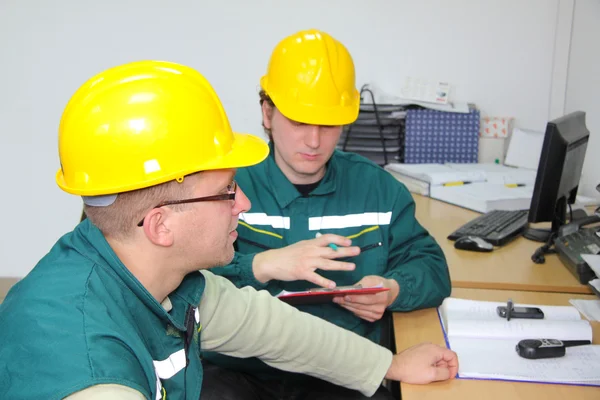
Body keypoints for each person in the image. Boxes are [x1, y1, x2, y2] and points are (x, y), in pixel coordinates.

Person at [0, 60, 458, 400]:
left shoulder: (156, 274)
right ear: (161, 224)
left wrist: (389, 364)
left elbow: (268, 326)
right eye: (227, 191)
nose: (244, 203)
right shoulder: (91, 369)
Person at [202, 29, 452, 399]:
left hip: (343, 376)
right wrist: (261, 265)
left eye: (328, 124)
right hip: (239, 373)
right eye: (300, 122)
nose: (314, 141)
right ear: (267, 113)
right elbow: (182, 281)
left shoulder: (378, 189)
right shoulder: (224, 187)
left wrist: (392, 290)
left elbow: (431, 267)